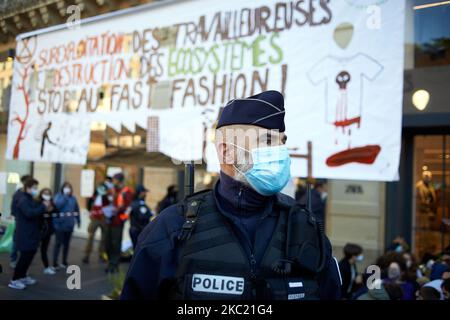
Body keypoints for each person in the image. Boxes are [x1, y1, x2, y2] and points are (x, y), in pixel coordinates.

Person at [121, 90, 341, 300]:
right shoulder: (171, 229)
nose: (281, 152)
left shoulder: (306, 228)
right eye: (267, 141)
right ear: (227, 151)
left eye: (282, 142)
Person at [9, 178, 47, 290]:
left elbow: (36, 210)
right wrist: (43, 207)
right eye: (34, 188)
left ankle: (23, 276)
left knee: (30, 255)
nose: (36, 190)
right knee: (24, 257)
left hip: (33, 232)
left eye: (36, 188)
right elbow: (29, 213)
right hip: (25, 233)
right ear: (28, 187)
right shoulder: (22, 199)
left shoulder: (30, 198)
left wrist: (42, 205)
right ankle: (14, 280)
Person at [104, 173, 133, 273]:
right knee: (107, 244)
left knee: (116, 244)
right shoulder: (111, 190)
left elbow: (128, 207)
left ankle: (114, 265)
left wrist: (122, 217)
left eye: (115, 180)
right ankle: (110, 262)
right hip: (108, 221)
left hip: (117, 222)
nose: (113, 182)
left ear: (119, 181)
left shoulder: (126, 191)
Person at [53, 182, 80, 269]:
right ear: (63, 188)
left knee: (66, 244)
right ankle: (55, 262)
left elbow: (76, 209)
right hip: (60, 224)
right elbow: (57, 206)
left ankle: (64, 261)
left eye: (69, 187)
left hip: (69, 224)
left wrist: (78, 220)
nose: (67, 189)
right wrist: (64, 197)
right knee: (58, 244)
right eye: (66, 187)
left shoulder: (73, 198)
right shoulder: (58, 196)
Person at [82, 182, 111, 264]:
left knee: (104, 238)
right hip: (94, 219)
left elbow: (109, 207)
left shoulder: (106, 198)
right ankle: (87, 255)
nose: (102, 190)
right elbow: (88, 207)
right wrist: (91, 214)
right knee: (90, 236)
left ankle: (102, 254)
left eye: (104, 189)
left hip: (103, 219)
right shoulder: (93, 197)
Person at [9, 174, 31, 268]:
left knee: (23, 241)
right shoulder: (18, 194)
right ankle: (13, 259)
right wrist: (17, 216)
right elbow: (13, 208)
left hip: (26, 221)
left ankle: (20, 261)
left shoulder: (28, 194)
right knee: (16, 240)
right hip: (20, 221)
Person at [38, 188, 57, 275]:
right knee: (31, 251)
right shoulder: (38, 202)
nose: (47, 195)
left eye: (48, 193)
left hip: (47, 230)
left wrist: (51, 208)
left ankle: (46, 267)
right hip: (38, 230)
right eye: (45, 193)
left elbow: (57, 212)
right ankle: (24, 271)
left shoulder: (52, 203)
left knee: (44, 249)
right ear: (41, 194)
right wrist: (44, 208)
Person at [129, 184, 153, 249]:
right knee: (139, 250)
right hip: (139, 231)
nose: (145, 194)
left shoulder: (134, 202)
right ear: (141, 193)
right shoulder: (139, 204)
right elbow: (142, 217)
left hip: (135, 230)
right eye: (144, 192)